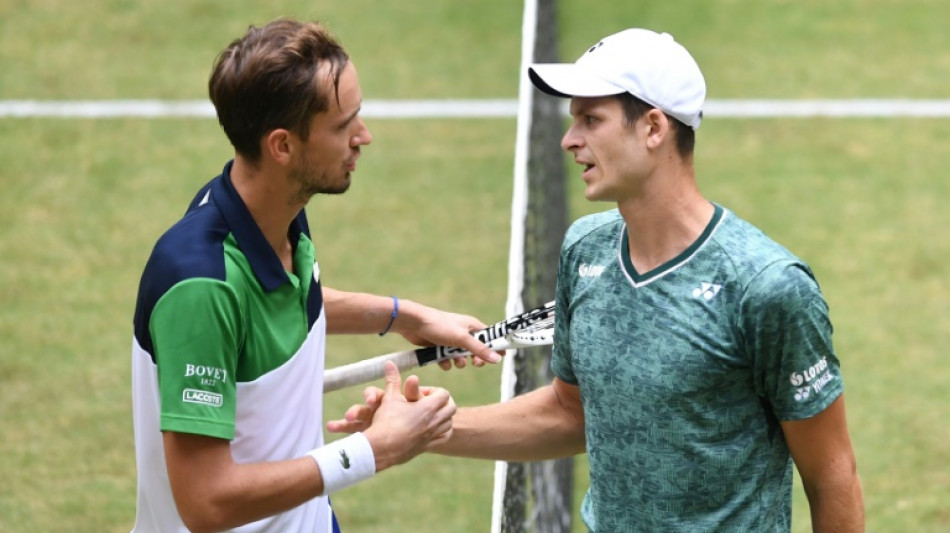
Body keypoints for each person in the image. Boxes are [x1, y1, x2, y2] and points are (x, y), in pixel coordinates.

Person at [330, 28, 865, 532]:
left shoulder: (767, 288)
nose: (569, 140)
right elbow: (572, 412)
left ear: (653, 128)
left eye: (591, 120)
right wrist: (427, 429)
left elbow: (832, 472)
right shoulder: (584, 249)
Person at [130, 18, 499, 533]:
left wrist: (405, 316)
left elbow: (282, 303)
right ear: (283, 146)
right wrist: (372, 450)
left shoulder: (270, 211)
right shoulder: (200, 285)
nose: (363, 137)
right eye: (343, 126)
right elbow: (205, 503)